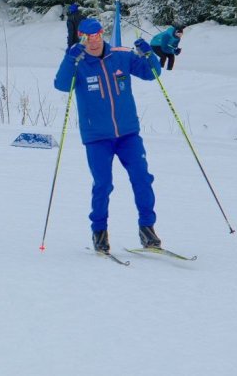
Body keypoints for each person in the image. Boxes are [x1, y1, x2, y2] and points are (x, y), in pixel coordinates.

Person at [53, 18, 164, 254]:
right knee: (103, 185)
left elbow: (152, 73)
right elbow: (62, 85)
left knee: (142, 178)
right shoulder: (78, 63)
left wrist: (149, 54)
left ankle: (147, 229)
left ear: (102, 34)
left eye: (95, 36)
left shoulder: (120, 56)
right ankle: (99, 232)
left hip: (128, 134)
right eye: (85, 37)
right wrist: (69, 58)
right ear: (80, 38)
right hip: (97, 137)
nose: (91, 42)